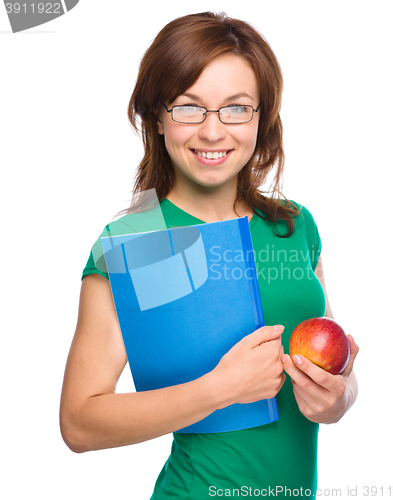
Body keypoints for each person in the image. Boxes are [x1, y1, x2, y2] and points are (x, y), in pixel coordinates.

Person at [60, 11, 359, 499]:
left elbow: (338, 374)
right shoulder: (139, 241)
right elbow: (79, 422)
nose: (213, 132)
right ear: (158, 117)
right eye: (188, 107)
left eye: (237, 108)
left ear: (262, 118)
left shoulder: (293, 226)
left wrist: (338, 397)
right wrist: (220, 390)